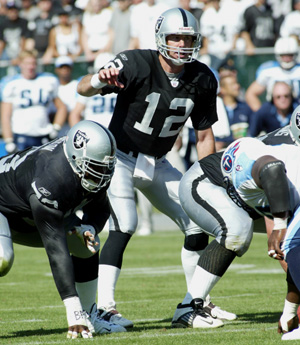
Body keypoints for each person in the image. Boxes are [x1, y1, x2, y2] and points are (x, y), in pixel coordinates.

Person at [76, 7, 234, 328]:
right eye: (175, 36)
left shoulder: (203, 77)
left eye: (187, 38)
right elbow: (82, 88)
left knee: (196, 224)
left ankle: (192, 304)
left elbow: (204, 135)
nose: (181, 44)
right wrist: (97, 79)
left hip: (159, 162)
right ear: (161, 37)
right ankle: (104, 307)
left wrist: (208, 180)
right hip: (118, 156)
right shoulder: (136, 62)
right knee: (126, 224)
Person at [173, 107, 300, 330]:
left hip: (251, 200)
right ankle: (187, 308)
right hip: (207, 182)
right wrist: (280, 225)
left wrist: (290, 309)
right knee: (237, 231)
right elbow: (272, 172)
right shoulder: (286, 156)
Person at [0, 120, 127, 338]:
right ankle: (80, 314)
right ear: (75, 158)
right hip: (5, 209)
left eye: (104, 168)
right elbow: (55, 249)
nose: (101, 175)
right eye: (95, 168)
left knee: (85, 244)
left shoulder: (89, 166)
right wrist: (72, 311)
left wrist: (90, 228)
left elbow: (101, 210)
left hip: (28, 214)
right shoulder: (51, 176)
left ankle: (91, 315)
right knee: (2, 258)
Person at [219, 134, 300, 340]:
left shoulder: (244, 167)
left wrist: (279, 225)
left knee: (290, 244)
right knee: (293, 248)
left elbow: (271, 167)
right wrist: (289, 311)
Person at [1, 50, 67, 154]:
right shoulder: (11, 84)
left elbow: (62, 107)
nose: (30, 67)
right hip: (21, 135)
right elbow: (5, 115)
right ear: (20, 64)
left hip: (44, 134)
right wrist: (8, 140)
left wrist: (56, 127)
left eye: (33, 63)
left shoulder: (47, 80)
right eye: (27, 63)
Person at [245, 36, 300, 112]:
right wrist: (262, 114)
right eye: (283, 56)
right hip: (274, 113)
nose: (287, 59)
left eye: (290, 55)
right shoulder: (268, 70)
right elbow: (251, 94)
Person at [216, 73, 252, 150]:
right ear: (222, 89)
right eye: (232, 84)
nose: (237, 86)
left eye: (236, 83)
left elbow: (253, 132)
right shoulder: (215, 109)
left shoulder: (246, 108)